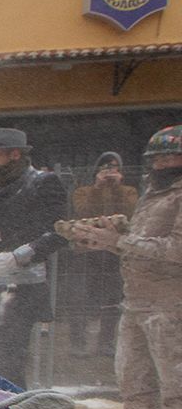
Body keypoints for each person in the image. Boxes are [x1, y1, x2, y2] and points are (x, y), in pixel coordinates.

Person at [72, 124, 182, 409]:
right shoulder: (154, 192)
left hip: (170, 305)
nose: (165, 163)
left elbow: (175, 251)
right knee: (134, 382)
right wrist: (111, 236)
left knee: (174, 387)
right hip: (136, 302)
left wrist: (121, 241)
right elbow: (140, 240)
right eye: (159, 158)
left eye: (172, 156)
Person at [0, 128, 71, 386]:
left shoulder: (44, 183)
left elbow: (59, 232)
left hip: (20, 291)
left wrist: (15, 258)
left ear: (15, 154)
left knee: (7, 367)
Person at [65, 152, 136, 357]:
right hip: (85, 251)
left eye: (114, 168)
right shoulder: (83, 191)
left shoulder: (129, 191)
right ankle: (77, 343)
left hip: (114, 252)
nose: (109, 172)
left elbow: (130, 212)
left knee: (112, 300)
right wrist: (97, 189)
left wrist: (117, 190)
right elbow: (83, 211)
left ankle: (106, 342)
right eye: (105, 168)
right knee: (78, 299)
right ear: (96, 171)